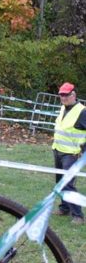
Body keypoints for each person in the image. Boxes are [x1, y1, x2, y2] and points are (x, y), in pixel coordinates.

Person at [52, 82, 86, 225]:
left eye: (66, 95)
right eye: (61, 95)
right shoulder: (62, 108)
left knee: (68, 184)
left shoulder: (82, 111)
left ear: (73, 95)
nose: (63, 98)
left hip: (72, 154)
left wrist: (83, 151)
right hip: (58, 150)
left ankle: (78, 216)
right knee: (60, 182)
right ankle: (64, 208)